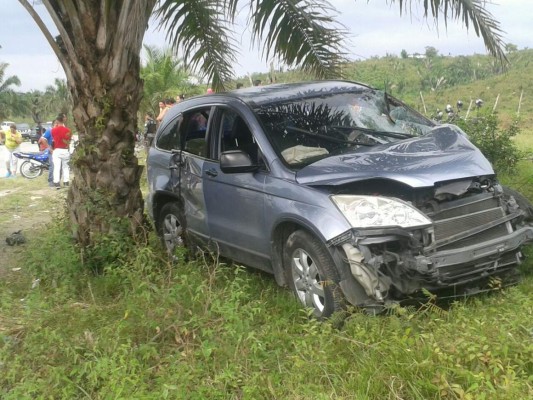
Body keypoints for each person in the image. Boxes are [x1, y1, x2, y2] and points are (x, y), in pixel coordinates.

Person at [51, 114, 72, 189]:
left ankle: (57, 183)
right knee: (66, 167)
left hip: (57, 150)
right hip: (65, 150)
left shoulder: (53, 130)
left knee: (56, 167)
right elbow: (68, 140)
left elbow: (54, 137)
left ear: (57, 120)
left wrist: (55, 126)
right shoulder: (68, 130)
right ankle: (66, 182)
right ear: (63, 120)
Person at [39, 120, 57, 187]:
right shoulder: (49, 131)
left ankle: (57, 181)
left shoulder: (59, 131)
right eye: (56, 124)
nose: (57, 125)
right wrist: (49, 148)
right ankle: (51, 181)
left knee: (58, 167)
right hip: (51, 151)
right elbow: (43, 139)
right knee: (52, 166)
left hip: (58, 151)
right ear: (53, 125)